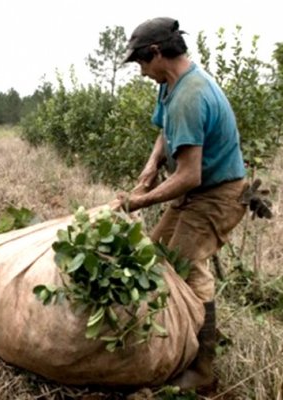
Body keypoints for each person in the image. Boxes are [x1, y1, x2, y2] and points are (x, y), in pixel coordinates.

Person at [117, 17, 248, 392]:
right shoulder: (170, 85)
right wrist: (152, 164)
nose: (141, 72)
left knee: (185, 267)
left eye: (141, 62)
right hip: (195, 191)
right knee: (155, 255)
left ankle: (202, 369)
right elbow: (165, 131)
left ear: (157, 53)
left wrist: (138, 201)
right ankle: (163, 343)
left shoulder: (192, 96)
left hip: (217, 193)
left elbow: (189, 175)